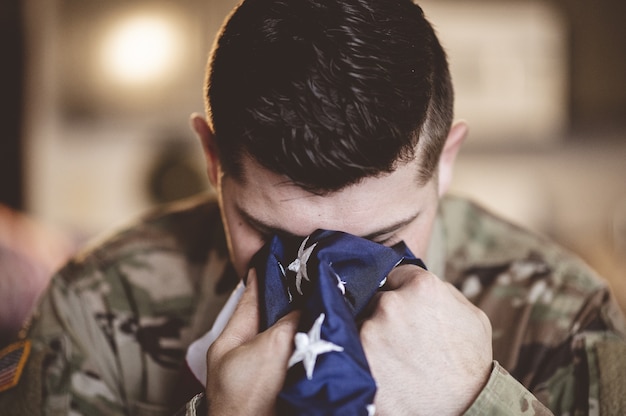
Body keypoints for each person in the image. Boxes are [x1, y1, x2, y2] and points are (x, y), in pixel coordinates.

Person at [1, 0, 625, 414]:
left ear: (447, 158)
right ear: (212, 159)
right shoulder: (95, 308)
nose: (326, 274)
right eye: (271, 232)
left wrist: (479, 402)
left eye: (382, 234)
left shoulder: (566, 319)